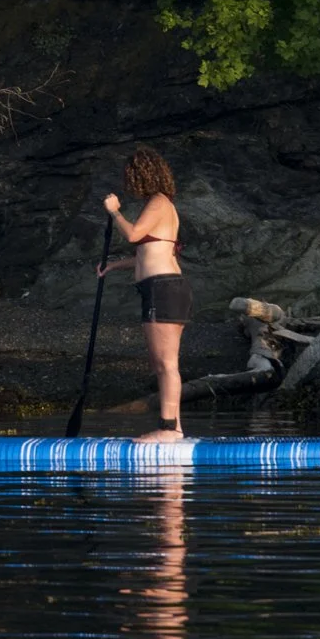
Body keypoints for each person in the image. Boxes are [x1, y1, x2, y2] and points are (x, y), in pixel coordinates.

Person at [101, 147, 190, 442]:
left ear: (143, 175)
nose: (129, 184)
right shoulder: (160, 205)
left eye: (131, 177)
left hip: (164, 289)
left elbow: (134, 235)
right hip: (161, 288)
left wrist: (115, 211)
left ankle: (169, 429)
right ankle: (174, 428)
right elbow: (147, 252)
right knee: (160, 363)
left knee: (166, 363)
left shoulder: (159, 202)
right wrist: (112, 266)